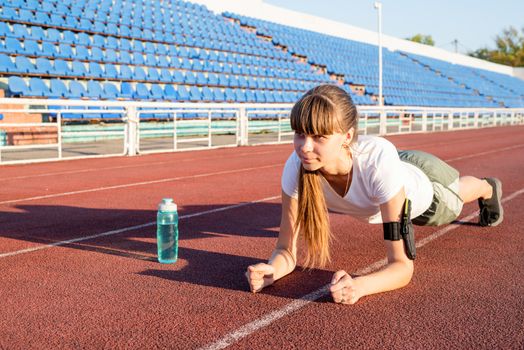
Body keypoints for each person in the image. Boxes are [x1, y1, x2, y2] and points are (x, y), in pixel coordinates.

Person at [245, 84, 503, 304]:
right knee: (385, 170)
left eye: (319, 137)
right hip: (388, 167)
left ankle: (488, 186)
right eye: (300, 134)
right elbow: (285, 250)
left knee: (454, 199)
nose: (304, 147)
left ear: (346, 136)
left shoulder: (376, 162)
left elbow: (402, 267)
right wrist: (272, 270)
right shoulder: (297, 166)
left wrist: (359, 286)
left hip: (426, 185)